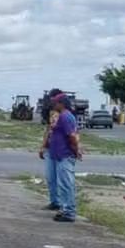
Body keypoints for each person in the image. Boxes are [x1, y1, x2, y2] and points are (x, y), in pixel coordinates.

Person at [46, 93, 82, 222]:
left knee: (66, 184)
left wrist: (76, 150)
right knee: (63, 184)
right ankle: (65, 209)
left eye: (56, 103)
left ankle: (69, 212)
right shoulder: (63, 116)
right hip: (60, 155)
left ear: (61, 103)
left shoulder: (66, 117)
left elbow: (72, 136)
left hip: (65, 155)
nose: (54, 105)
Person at [39, 88, 64, 211]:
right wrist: (43, 146)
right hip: (50, 148)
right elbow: (48, 129)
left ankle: (63, 204)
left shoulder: (65, 115)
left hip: (61, 149)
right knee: (50, 177)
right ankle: (55, 201)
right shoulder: (51, 112)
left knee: (61, 178)